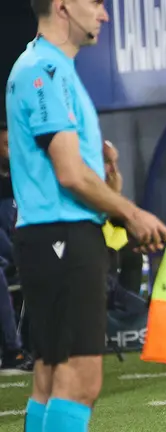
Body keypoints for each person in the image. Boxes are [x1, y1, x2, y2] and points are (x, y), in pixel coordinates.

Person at [5, 0, 166, 430]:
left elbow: (74, 171)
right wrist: (132, 214)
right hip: (60, 236)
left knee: (50, 376)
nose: (104, 14)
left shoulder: (49, 66)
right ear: (62, 6)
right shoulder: (43, 69)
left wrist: (108, 187)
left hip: (53, 235)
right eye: (95, 3)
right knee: (79, 381)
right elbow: (70, 175)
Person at [0, 120, 33, 373]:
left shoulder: (21, 179)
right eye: (5, 144)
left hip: (19, 254)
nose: (11, 149)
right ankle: (13, 351)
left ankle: (44, 345)